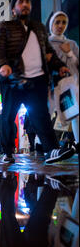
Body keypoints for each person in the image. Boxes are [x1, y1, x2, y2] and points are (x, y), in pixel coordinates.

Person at [0, 0, 74, 164]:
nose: (25, 4)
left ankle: (51, 150)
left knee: (41, 116)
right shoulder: (5, 27)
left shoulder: (39, 28)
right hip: (13, 79)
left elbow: (49, 52)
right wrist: (3, 65)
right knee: (8, 117)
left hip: (37, 80)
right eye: (21, 2)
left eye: (27, 2)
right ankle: (7, 152)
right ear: (14, 8)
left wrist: (59, 66)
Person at [48, 11, 79, 152]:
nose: (60, 25)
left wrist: (69, 53)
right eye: (57, 22)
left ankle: (78, 144)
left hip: (69, 84)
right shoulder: (46, 43)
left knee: (74, 114)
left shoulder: (71, 44)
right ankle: (48, 147)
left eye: (63, 22)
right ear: (51, 24)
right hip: (51, 85)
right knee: (46, 115)